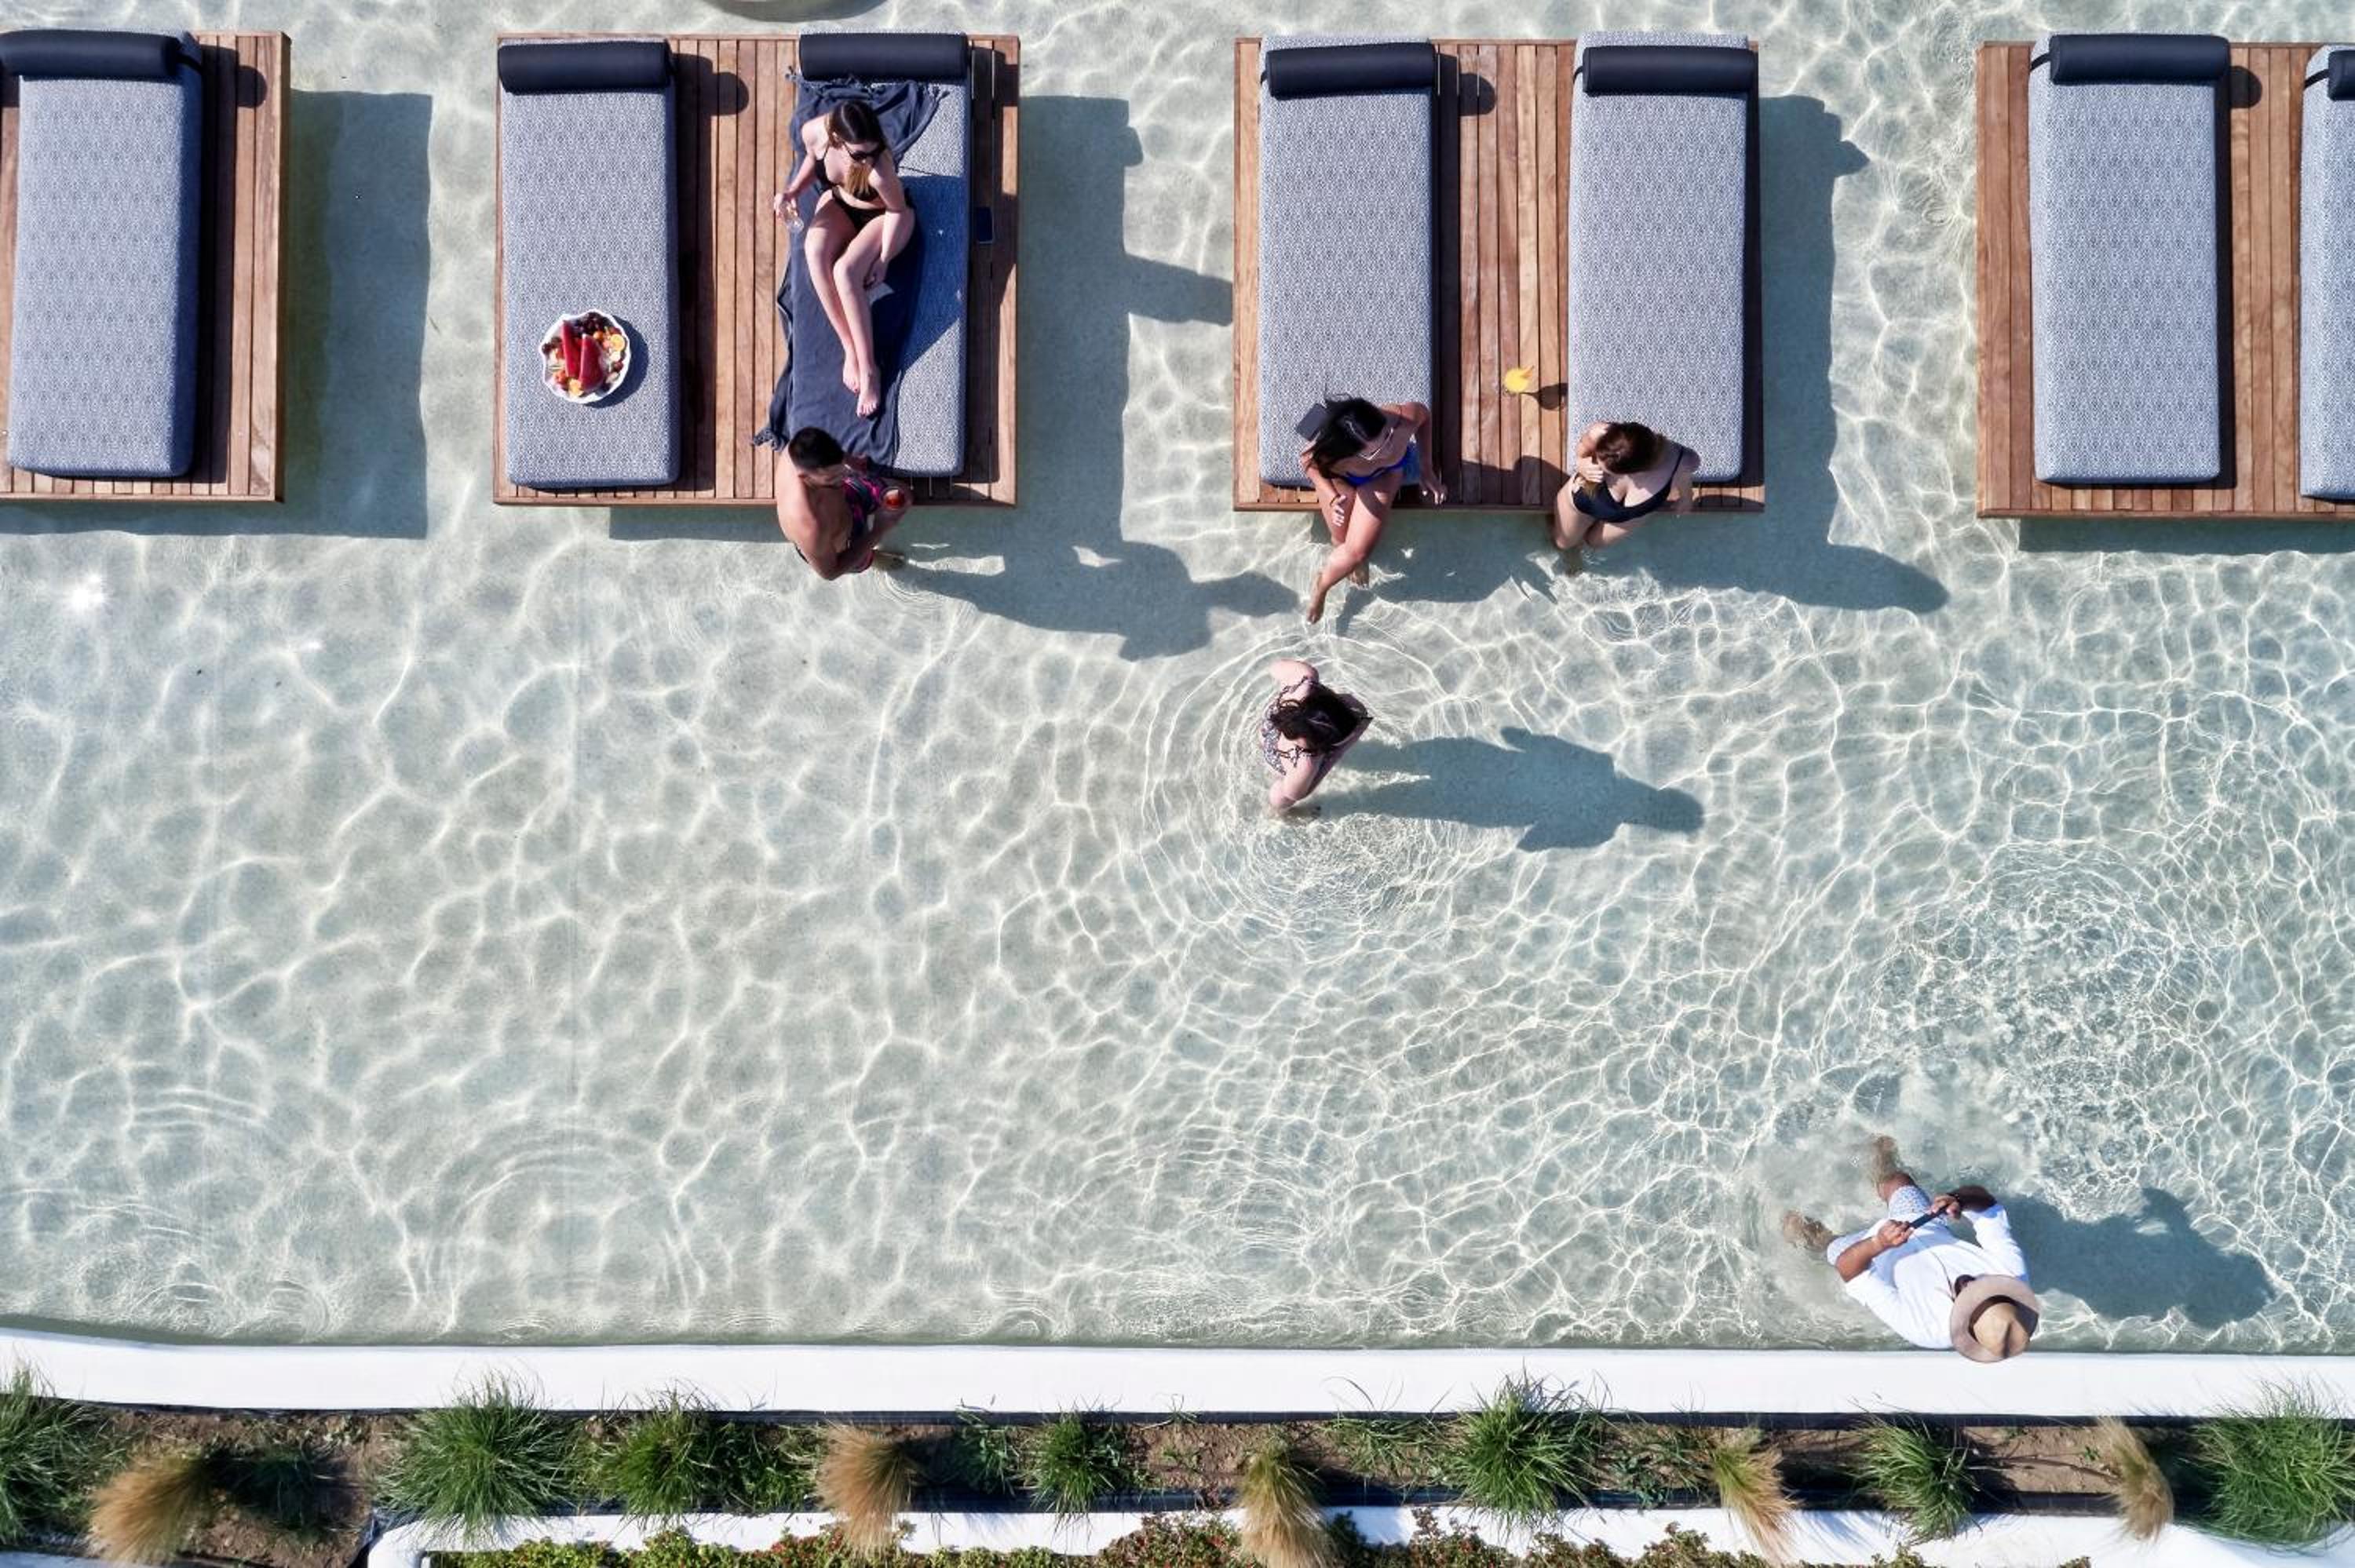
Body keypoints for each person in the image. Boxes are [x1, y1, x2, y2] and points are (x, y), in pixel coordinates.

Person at [1782, 1138, 2042, 1362]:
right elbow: (1988, 1207)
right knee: (1897, 1180)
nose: (1971, 1283)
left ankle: (1807, 1230)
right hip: (1922, 1221)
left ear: (1965, 1322)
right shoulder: (2012, 1275)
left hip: (1873, 1257)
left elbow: (1848, 1269)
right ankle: (1880, 1165)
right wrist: (1959, 1200)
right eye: (1986, 1288)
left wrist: (1878, 1244)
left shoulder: (1926, 1329)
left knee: (1820, 1242)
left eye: (1969, 1297)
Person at [772, 100, 912, 418]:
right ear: (836, 138)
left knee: (845, 272)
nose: (868, 159)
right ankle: (849, 346)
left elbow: (898, 210)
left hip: (883, 216)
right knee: (813, 251)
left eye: (874, 151)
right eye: (860, 154)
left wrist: (884, 259)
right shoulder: (814, 133)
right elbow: (812, 159)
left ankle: (870, 370)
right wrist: (792, 192)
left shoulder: (879, 170)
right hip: (841, 202)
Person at [1299, 397, 1444, 623]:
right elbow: (1308, 463)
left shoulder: (1401, 422)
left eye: (1387, 437)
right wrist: (1332, 497)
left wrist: (1427, 468)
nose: (1387, 451)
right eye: (1375, 453)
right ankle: (1325, 583)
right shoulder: (1333, 451)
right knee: (1340, 539)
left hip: (1384, 476)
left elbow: (1424, 416)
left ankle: (1324, 586)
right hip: (1342, 480)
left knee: (1358, 552)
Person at [774, 427, 908, 579]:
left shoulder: (799, 450)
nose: (842, 478)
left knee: (902, 494)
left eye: (842, 470)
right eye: (831, 478)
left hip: (849, 499)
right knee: (862, 560)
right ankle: (872, 558)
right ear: (804, 477)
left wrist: (849, 460)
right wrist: (878, 531)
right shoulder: (810, 528)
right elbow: (830, 573)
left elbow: (827, 451)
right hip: (846, 544)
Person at [1550, 420, 1698, 551]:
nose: (1601, 469)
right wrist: (1581, 464)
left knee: (1594, 543)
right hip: (1583, 499)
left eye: (1608, 471)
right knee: (1564, 544)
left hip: (1625, 518)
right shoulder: (1600, 432)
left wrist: (1686, 497)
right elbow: (1582, 449)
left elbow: (1683, 477)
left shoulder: (1684, 460)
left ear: (1634, 472)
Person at [1260, 658, 1370, 816]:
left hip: (1269, 728)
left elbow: (1274, 666)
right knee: (1280, 797)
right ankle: (1277, 813)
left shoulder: (1304, 678)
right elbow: (1295, 794)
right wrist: (1339, 752)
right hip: (1279, 759)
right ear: (1323, 747)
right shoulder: (1305, 765)